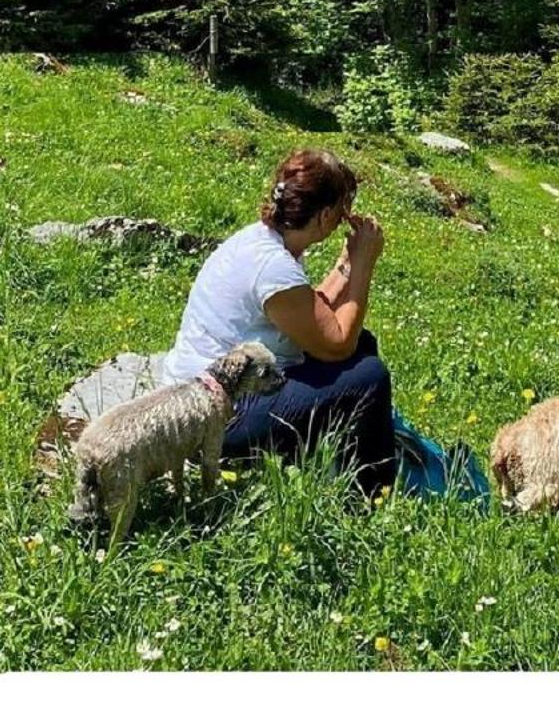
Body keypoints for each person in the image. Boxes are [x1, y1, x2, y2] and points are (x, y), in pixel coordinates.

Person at [163, 147, 396, 494]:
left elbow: (308, 310)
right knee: (369, 374)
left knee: (364, 345)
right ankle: (369, 495)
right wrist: (364, 265)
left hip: (210, 393)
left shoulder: (266, 242)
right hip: (218, 418)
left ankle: (333, 459)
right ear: (325, 214)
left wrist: (345, 264)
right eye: (343, 209)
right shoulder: (272, 267)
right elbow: (336, 344)